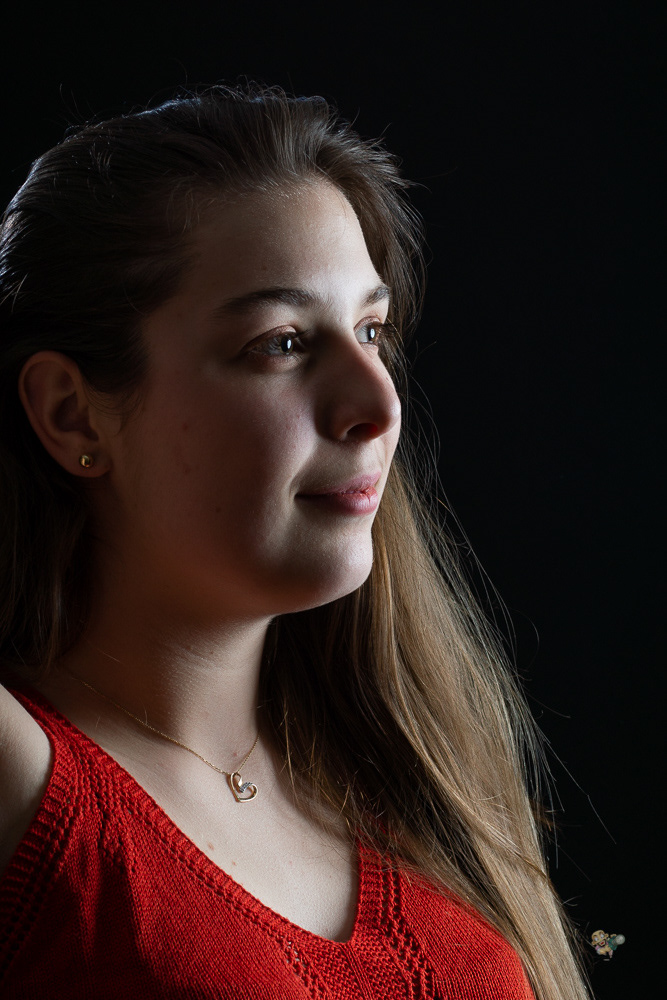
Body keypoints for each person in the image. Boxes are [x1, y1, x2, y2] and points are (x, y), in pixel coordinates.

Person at [0, 84, 589, 999]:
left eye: (370, 331)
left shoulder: (416, 779)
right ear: (72, 412)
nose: (378, 403)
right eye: (280, 343)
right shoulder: (30, 789)